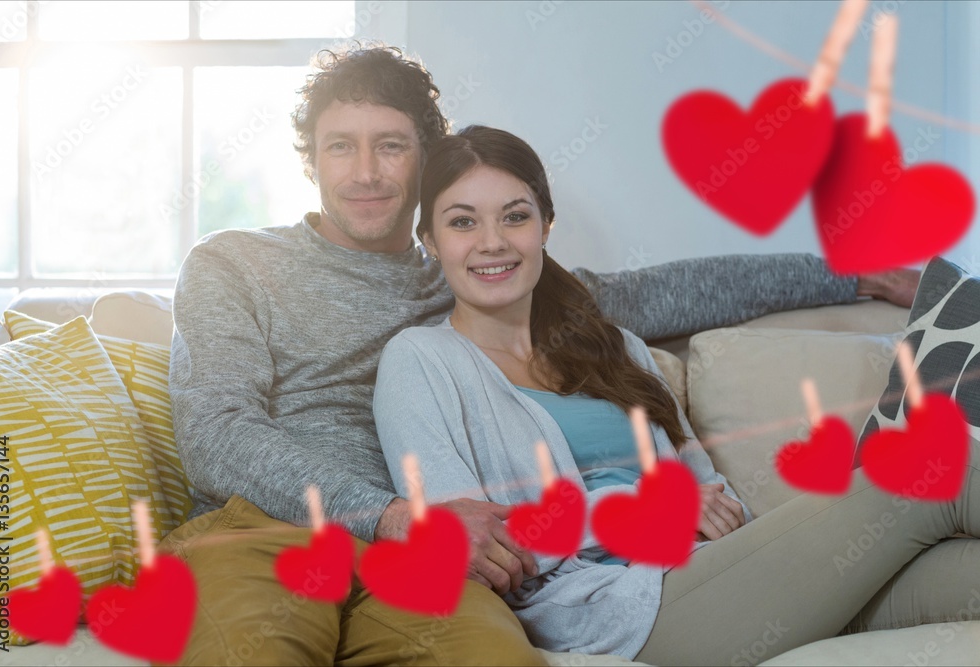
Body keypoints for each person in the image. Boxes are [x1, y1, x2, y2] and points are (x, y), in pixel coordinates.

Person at [161, 44, 923, 665]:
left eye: (390, 146)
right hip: (267, 529)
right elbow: (216, 433)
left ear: (424, 163)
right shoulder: (235, 263)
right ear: (312, 159)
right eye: (341, 147)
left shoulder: (474, 271)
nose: (364, 172)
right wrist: (391, 514)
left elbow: (666, 292)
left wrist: (848, 271)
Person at [371, 124, 980, 665]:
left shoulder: (618, 347)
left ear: (545, 226)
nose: (492, 241)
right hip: (619, 612)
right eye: (461, 221)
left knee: (964, 578)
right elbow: (481, 544)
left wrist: (711, 510)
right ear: (429, 238)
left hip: (716, 572)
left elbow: (713, 495)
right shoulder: (419, 361)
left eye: (514, 215)